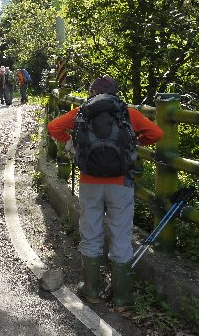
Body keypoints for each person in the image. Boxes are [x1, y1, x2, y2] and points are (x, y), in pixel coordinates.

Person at [47, 76, 163, 310]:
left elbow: (53, 127)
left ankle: (91, 290)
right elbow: (157, 134)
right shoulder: (127, 112)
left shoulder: (82, 111)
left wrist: (72, 143)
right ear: (115, 93)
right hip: (121, 182)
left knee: (91, 230)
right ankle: (122, 298)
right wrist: (133, 144)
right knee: (121, 234)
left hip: (90, 181)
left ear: (92, 93)